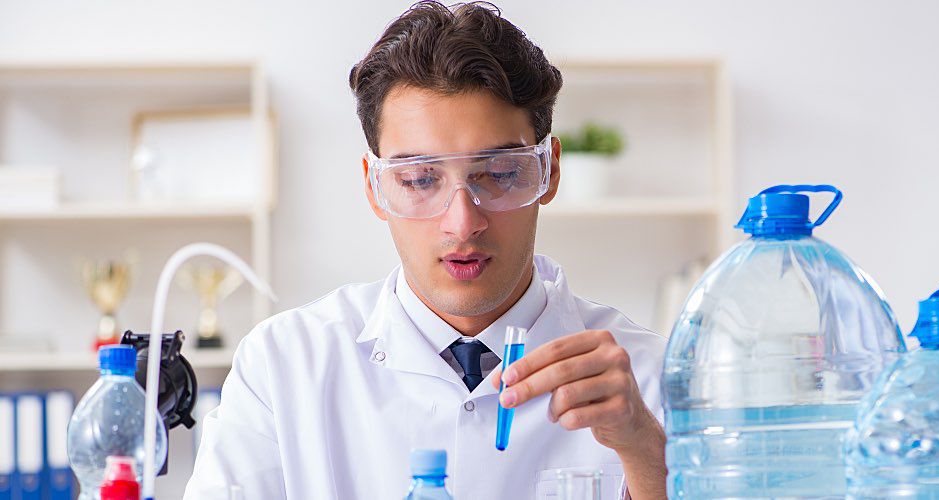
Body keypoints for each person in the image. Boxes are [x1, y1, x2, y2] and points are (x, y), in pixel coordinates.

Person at [184, 2, 667, 498]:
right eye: (419, 179)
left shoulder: (650, 377)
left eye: (499, 174)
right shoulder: (284, 365)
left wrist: (645, 450)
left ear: (548, 171)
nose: (463, 223)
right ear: (375, 188)